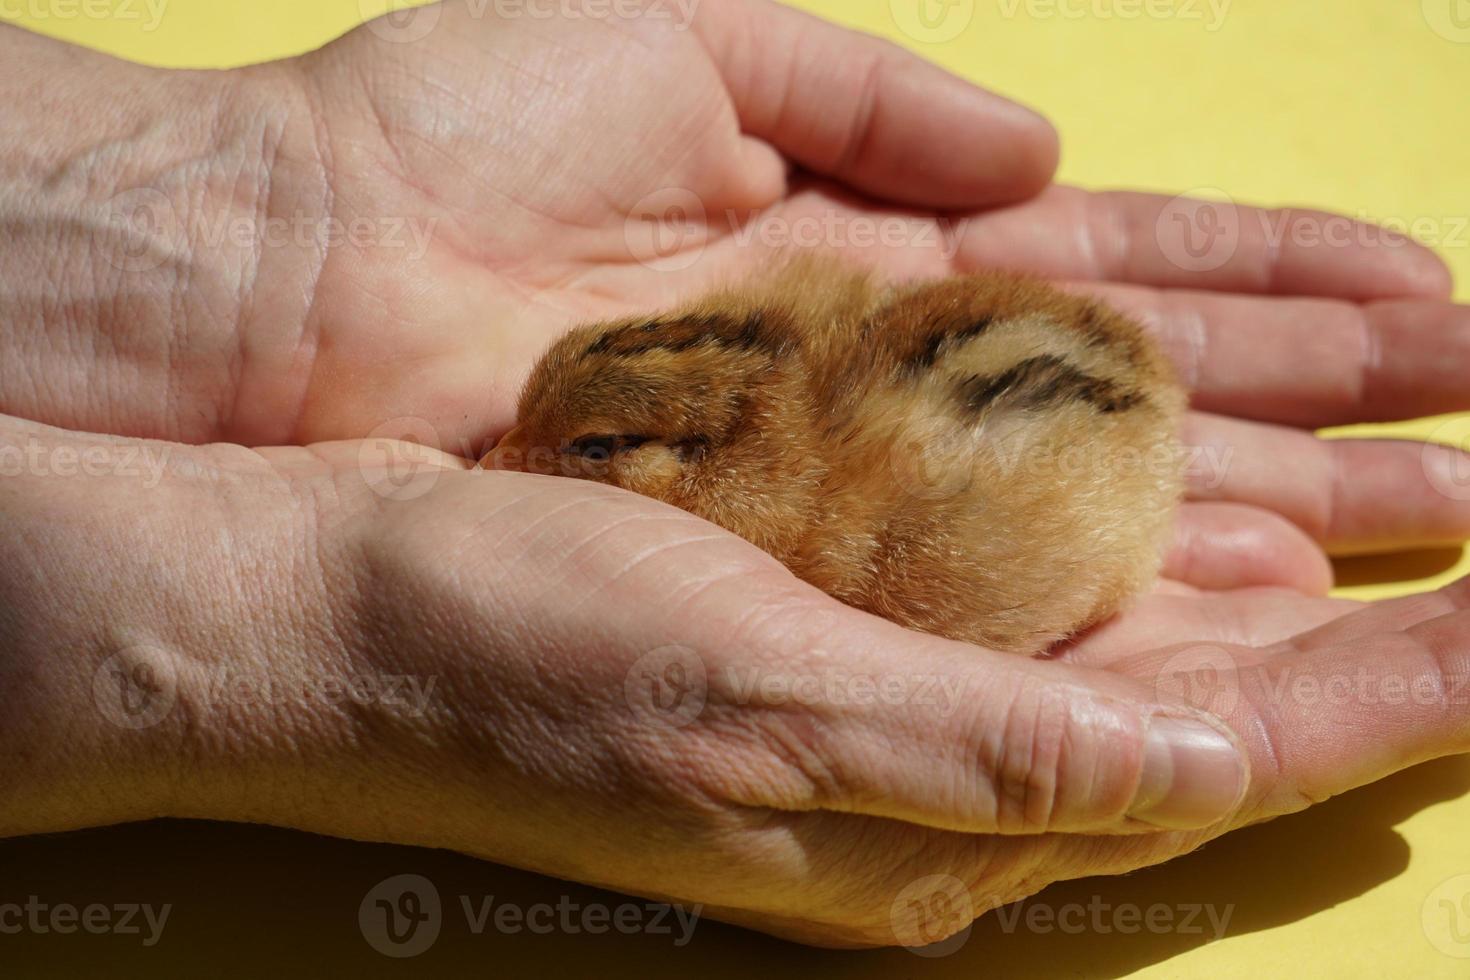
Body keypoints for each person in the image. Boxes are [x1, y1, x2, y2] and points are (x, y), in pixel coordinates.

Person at [1, 0, 1468, 947]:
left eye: (576, 454)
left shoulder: (842, 482)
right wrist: (290, 627)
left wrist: (252, 197)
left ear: (698, 449)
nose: (510, 468)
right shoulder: (790, 410)